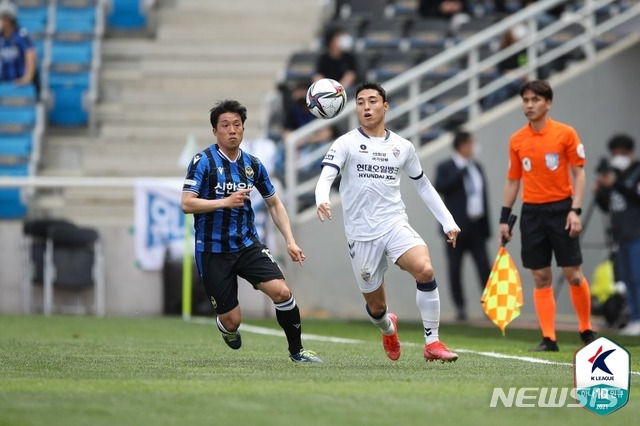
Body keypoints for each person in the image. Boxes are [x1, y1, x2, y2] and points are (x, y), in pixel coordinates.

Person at [315, 82, 460, 363]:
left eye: (372, 101)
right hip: (361, 235)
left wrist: (448, 222)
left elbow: (424, 186)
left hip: (393, 223)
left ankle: (433, 342)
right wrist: (322, 197)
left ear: (385, 106)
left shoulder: (402, 147)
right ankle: (388, 329)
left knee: (425, 269)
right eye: (360, 102)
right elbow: (326, 176)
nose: (366, 107)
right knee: (377, 308)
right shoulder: (345, 143)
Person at [181, 99, 322, 363]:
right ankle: (227, 328)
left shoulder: (253, 164)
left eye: (237, 124)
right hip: (213, 250)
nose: (232, 130)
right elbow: (187, 203)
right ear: (215, 131)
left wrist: (290, 241)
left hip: (247, 245)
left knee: (282, 292)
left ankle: (297, 352)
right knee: (233, 321)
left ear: (243, 129)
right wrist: (225, 201)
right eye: (225, 125)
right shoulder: (203, 161)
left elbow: (274, 203)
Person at [499, 80, 596, 352]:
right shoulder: (517, 139)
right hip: (532, 213)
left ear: (548, 103)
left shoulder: (565, 134)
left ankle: (586, 331)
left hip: (562, 210)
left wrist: (575, 210)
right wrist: (504, 219)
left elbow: (579, 174)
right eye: (525, 100)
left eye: (535, 100)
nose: (529, 105)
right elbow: (512, 181)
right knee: (540, 276)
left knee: (573, 274)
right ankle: (549, 338)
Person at [435, 131, 491, 321]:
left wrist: (487, 227)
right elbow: (440, 186)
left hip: (476, 227)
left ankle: (489, 306)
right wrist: (461, 171)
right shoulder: (446, 167)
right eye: (470, 144)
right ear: (462, 146)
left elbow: (483, 197)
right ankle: (460, 307)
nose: (473, 147)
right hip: (455, 229)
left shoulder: (478, 167)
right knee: (455, 268)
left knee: (485, 267)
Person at [594, 134, 640, 336]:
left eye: (621, 153)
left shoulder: (636, 172)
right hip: (620, 236)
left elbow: (635, 196)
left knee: (638, 278)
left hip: (637, 233)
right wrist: (600, 191)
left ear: (629, 153)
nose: (617, 157)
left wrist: (616, 183)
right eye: (615, 154)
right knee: (626, 280)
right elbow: (607, 206)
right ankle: (634, 318)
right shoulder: (612, 174)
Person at [0, 1, 37, 86]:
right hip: (2, 84)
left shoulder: (21, 35)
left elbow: (30, 54)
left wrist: (27, 78)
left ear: (8, 20)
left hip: (18, 85)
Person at [313, 25, 358, 94]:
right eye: (339, 37)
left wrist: (338, 89)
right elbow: (318, 76)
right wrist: (325, 88)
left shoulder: (349, 57)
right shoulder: (324, 58)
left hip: (344, 89)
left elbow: (350, 75)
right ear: (331, 41)